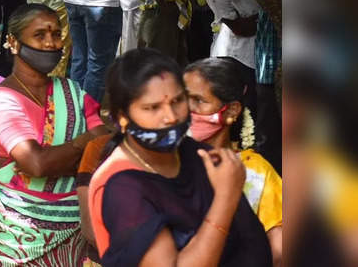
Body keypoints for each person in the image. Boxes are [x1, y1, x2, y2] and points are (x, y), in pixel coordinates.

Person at [88, 49, 272, 266]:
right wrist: (226, 197)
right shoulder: (121, 185)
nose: (171, 117)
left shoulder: (196, 154)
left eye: (177, 101)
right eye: (152, 108)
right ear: (122, 117)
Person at [0, 4, 109, 265]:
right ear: (13, 43)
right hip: (19, 240)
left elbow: (104, 147)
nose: (51, 43)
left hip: (75, 235)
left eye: (56, 34)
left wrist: (65, 157)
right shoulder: (2, 99)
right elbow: (36, 163)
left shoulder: (71, 90)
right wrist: (83, 144)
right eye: (39, 35)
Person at [183, 58, 282, 265]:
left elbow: (279, 250)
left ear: (231, 111)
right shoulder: (166, 161)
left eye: (199, 101)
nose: (186, 111)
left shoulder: (256, 172)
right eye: (182, 100)